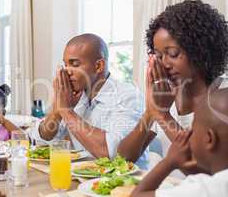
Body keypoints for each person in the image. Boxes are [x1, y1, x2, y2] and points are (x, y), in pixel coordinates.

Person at [117, 0, 228, 169]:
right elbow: (124, 158)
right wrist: (151, 112)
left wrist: (163, 116)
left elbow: (212, 167)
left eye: (173, 54)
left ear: (201, 50)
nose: (164, 63)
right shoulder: (168, 96)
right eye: (158, 56)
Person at [33, 33, 148, 168]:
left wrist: (67, 111)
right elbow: (42, 140)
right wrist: (57, 112)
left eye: (74, 64)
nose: (67, 71)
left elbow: (113, 152)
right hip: (84, 180)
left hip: (126, 184)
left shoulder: (128, 96)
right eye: (65, 65)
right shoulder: (75, 96)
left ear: (98, 66)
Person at [131, 87, 228, 197]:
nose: (188, 131)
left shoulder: (201, 190)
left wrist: (168, 162)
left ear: (209, 139)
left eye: (193, 126)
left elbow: (137, 195)